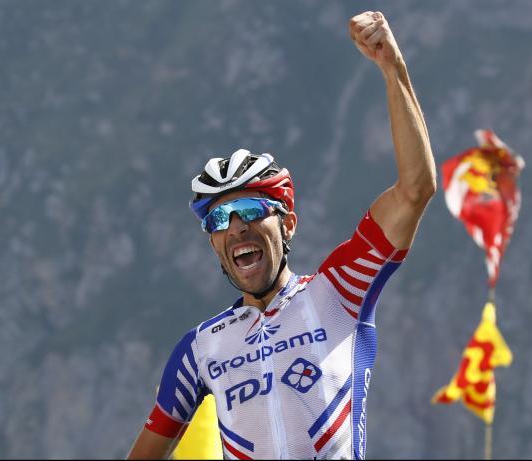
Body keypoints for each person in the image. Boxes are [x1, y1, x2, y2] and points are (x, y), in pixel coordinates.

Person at [128, 10, 436, 460]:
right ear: (213, 243)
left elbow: (415, 190)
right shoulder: (200, 348)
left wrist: (393, 69)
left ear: (288, 223)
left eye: (251, 210)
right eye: (219, 220)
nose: (236, 227)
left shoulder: (340, 290)